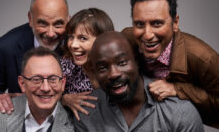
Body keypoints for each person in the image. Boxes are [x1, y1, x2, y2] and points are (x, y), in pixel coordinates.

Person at [121, 0, 219, 128]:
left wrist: (178, 89)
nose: (147, 35)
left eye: (157, 23)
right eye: (139, 24)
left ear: (175, 23)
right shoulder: (126, 39)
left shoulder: (203, 57)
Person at [74, 31, 204, 132]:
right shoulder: (86, 113)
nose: (113, 74)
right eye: (102, 68)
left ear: (136, 62)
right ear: (95, 73)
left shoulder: (180, 112)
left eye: (122, 62)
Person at [0, 0, 70, 114]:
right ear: (30, 19)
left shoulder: (80, 44)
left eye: (58, 24)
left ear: (68, 20)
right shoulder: (4, 47)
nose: (51, 33)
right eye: (43, 24)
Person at [0, 47, 74, 132]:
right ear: (22, 83)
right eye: (36, 79)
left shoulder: (77, 123)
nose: (45, 88)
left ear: (62, 83)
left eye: (53, 79)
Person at [61, 8, 114, 120]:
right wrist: (63, 99)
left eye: (83, 38)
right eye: (71, 37)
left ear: (102, 40)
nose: (73, 45)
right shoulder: (65, 67)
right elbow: (43, 95)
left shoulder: (118, 68)